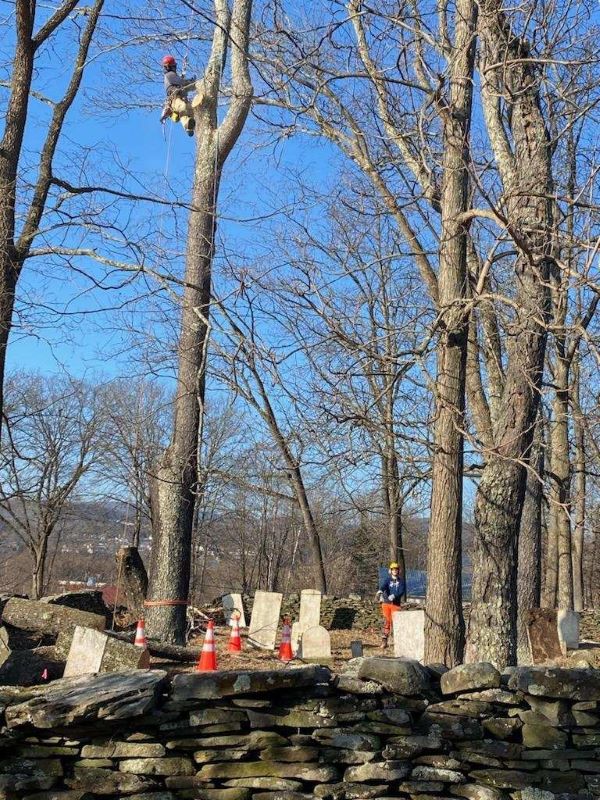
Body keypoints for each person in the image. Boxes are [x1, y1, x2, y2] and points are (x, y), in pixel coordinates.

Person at [160, 55, 195, 136]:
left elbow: (184, 86)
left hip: (181, 98)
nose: (175, 68)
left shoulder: (173, 76)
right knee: (182, 107)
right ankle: (187, 125)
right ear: (170, 67)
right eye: (174, 66)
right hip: (175, 99)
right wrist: (192, 82)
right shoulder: (169, 75)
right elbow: (182, 82)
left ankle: (189, 126)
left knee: (189, 108)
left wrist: (193, 84)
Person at [376, 561, 406, 649]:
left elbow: (401, 591)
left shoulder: (402, 581)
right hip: (386, 603)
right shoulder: (387, 580)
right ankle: (384, 642)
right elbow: (384, 586)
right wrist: (380, 590)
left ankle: (398, 642)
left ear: (398, 571)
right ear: (390, 571)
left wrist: (395, 595)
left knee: (396, 623)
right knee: (387, 621)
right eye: (393, 569)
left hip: (396, 604)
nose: (395, 571)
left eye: (396, 569)